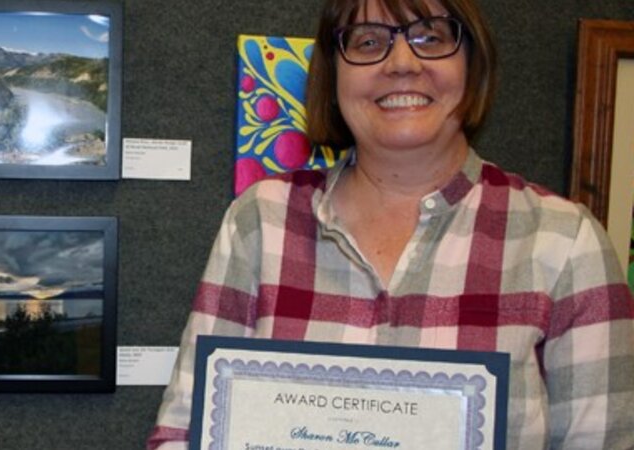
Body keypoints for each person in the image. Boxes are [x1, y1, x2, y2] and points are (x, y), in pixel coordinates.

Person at [147, 0, 634, 448]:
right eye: (367, 41)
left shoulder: (564, 242)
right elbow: (182, 434)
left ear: (472, 63)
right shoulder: (261, 219)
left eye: (431, 36)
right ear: (333, 75)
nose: (401, 62)